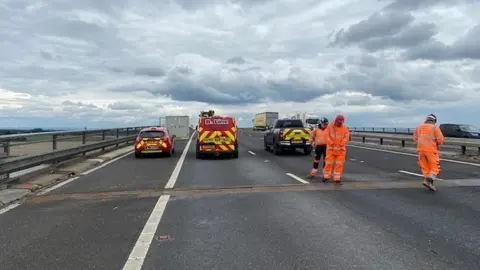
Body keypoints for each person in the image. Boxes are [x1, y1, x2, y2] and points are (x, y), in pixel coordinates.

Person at [413, 114, 444, 191]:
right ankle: (428, 181)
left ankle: (430, 184)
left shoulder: (418, 127)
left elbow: (414, 139)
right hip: (431, 151)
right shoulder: (435, 128)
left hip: (420, 150)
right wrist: (437, 143)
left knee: (425, 168)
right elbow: (440, 140)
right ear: (434, 121)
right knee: (435, 168)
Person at [323, 114, 350, 184]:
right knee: (328, 163)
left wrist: (341, 144)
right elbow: (326, 135)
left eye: (341, 122)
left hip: (340, 150)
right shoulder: (330, 126)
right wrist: (331, 143)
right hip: (331, 149)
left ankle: (337, 178)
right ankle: (326, 176)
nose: (340, 123)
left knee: (339, 164)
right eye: (339, 122)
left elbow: (346, 137)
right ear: (336, 120)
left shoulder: (344, 128)